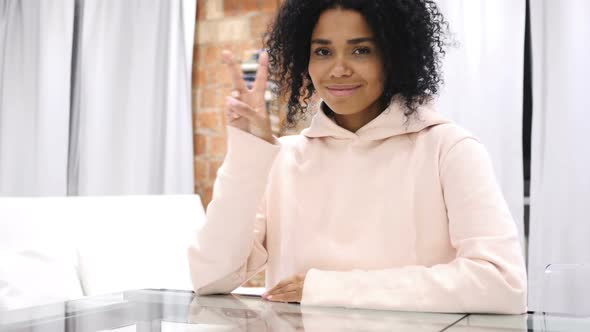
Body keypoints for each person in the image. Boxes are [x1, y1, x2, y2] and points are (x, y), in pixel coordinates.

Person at [188, 0, 527, 314]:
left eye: (361, 50)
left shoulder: (448, 148)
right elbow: (209, 277)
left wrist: (326, 288)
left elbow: (501, 284)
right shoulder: (283, 159)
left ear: (394, 56)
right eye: (322, 51)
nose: (338, 69)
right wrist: (248, 149)